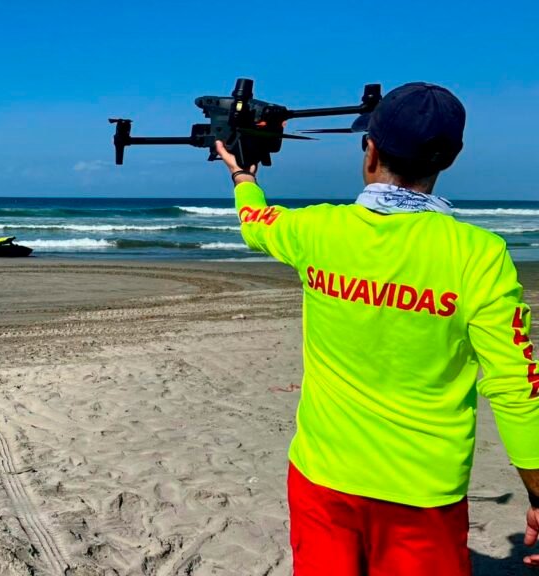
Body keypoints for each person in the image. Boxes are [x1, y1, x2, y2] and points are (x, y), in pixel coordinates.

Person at [214, 82, 539, 575]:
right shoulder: (480, 256)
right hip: (423, 492)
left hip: (323, 477)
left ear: (370, 150)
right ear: (451, 158)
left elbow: (255, 222)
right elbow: (517, 385)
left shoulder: (317, 231)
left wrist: (242, 175)